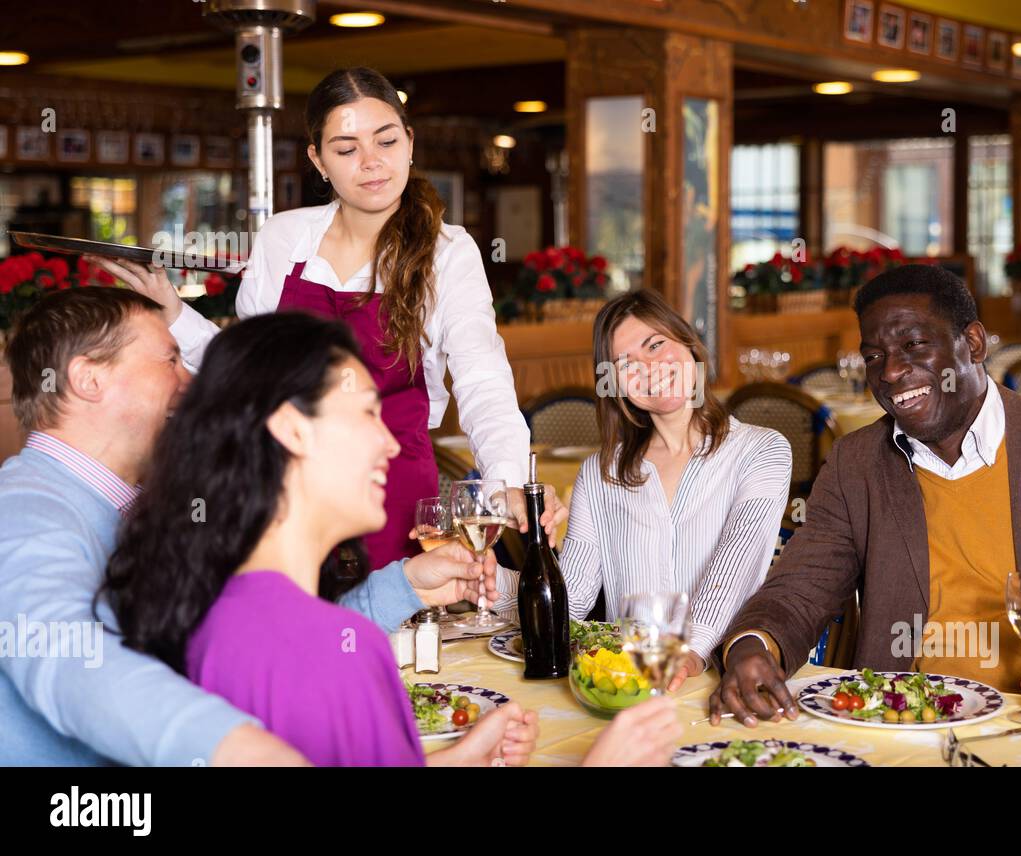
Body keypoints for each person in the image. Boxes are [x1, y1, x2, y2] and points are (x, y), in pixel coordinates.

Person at [99, 311, 680, 766]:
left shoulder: (215, 612)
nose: (391, 444)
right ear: (292, 429)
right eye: (365, 415)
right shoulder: (339, 651)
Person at [709, 264, 1021, 735]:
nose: (890, 373)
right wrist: (752, 646)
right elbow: (798, 593)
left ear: (973, 343)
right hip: (912, 727)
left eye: (913, 345)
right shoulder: (857, 463)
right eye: (874, 356)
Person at [90, 66, 562, 569]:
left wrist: (506, 482)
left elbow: (482, 378)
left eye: (386, 141)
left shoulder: (449, 252)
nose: (372, 163)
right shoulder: (284, 239)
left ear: (409, 143)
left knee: (387, 630)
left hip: (391, 490)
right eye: (346, 149)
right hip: (286, 484)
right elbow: (246, 372)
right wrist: (173, 311)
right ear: (318, 160)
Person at [494, 290, 791, 691]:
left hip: (727, 679)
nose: (649, 367)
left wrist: (687, 654)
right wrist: (486, 580)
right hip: (628, 686)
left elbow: (731, 573)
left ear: (688, 345)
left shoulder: (762, 450)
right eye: (627, 363)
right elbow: (573, 600)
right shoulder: (600, 474)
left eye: (656, 345)